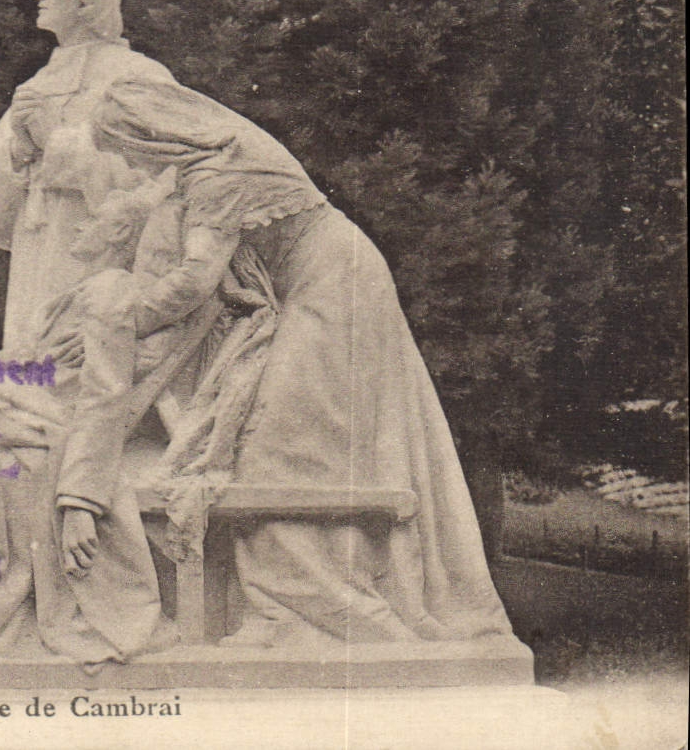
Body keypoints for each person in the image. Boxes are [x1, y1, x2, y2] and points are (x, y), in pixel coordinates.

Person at [54, 77, 513, 646]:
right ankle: (293, 609)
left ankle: (305, 615)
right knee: (282, 440)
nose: (134, 166)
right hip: (319, 282)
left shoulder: (218, 177)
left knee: (284, 445)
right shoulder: (215, 156)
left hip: (333, 287)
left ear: (152, 139)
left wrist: (122, 317)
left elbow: (194, 284)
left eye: (128, 152)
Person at [0, 0, 174, 357]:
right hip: (36, 258)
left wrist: (55, 141)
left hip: (100, 262)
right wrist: (20, 154)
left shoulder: (139, 77)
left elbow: (157, 184)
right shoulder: (38, 84)